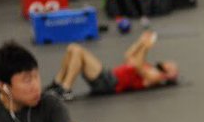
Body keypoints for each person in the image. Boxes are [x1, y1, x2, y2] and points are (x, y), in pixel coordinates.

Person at [47, 30, 179, 100]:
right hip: (108, 77)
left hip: (110, 83)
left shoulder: (157, 77)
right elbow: (128, 56)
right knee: (72, 48)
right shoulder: (150, 67)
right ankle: (58, 83)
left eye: (173, 67)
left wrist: (145, 47)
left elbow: (138, 66)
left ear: (170, 74)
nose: (171, 63)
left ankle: (66, 89)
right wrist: (140, 41)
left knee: (77, 50)